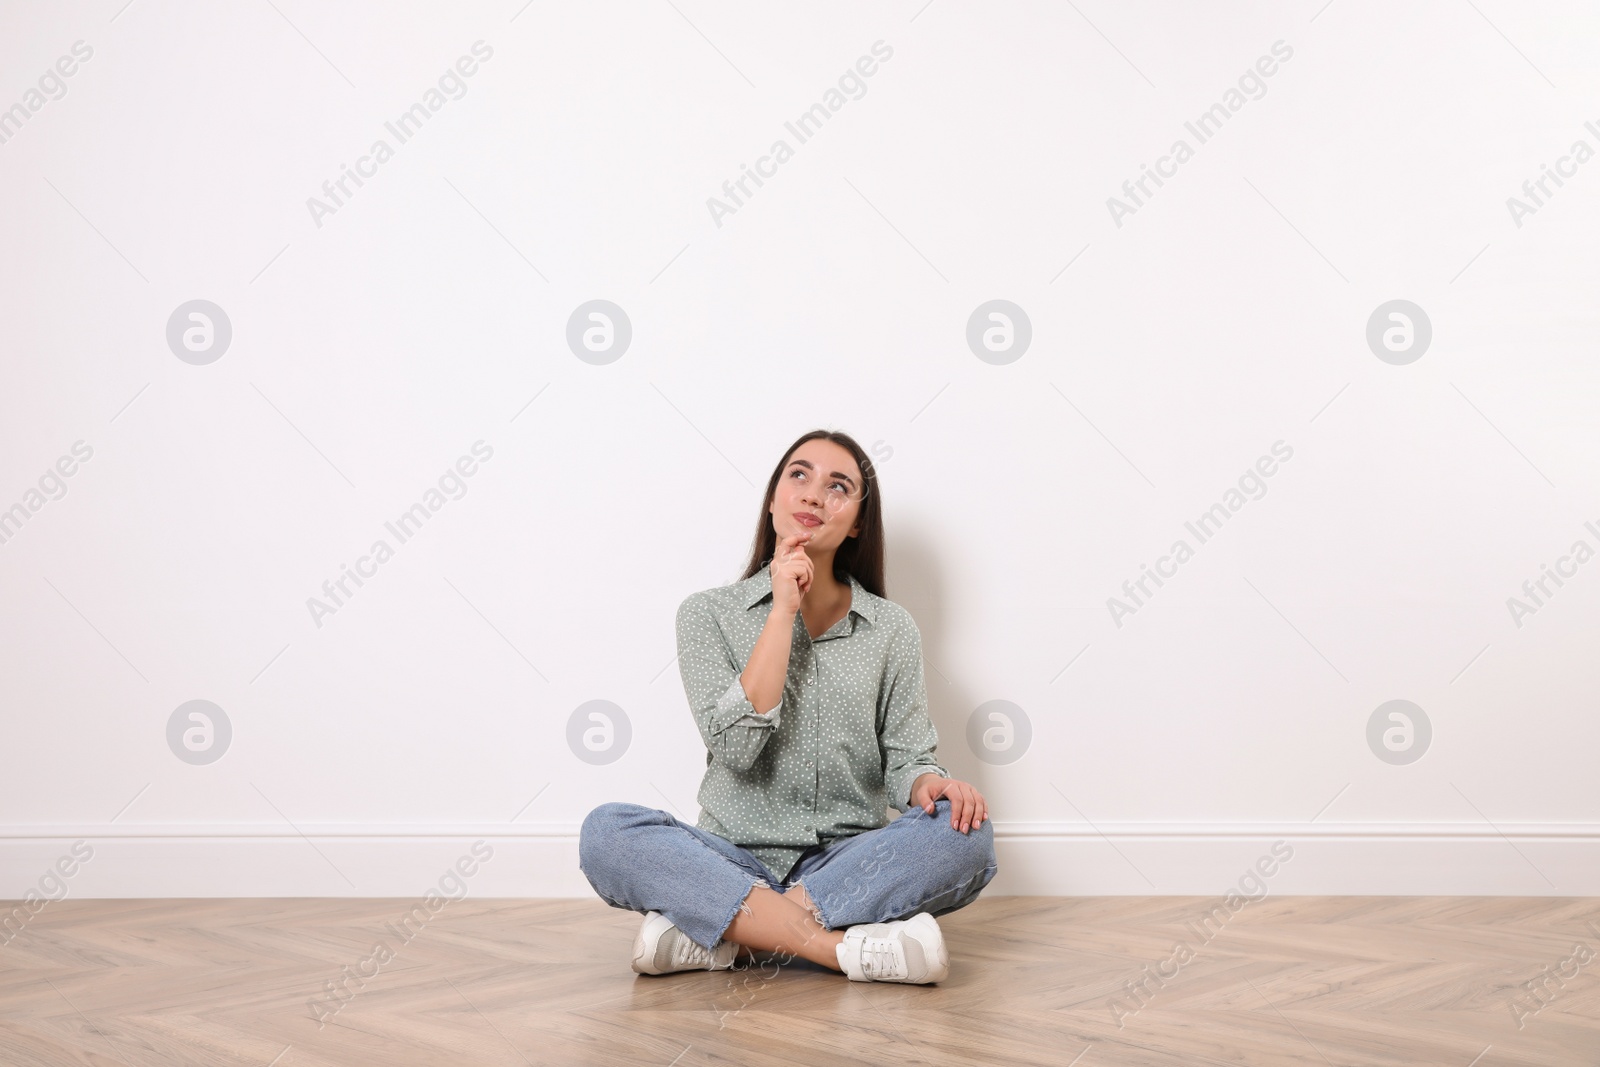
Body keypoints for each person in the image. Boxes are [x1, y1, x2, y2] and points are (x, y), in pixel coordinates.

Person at [579, 429, 997, 984]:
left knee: (966, 832)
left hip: (847, 862)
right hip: (730, 859)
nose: (813, 495)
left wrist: (931, 786)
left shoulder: (892, 629)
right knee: (606, 832)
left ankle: (730, 935)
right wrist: (780, 611)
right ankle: (837, 950)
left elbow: (907, 760)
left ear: (856, 525)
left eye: (838, 486)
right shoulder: (708, 615)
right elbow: (736, 747)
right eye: (798, 476)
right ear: (774, 498)